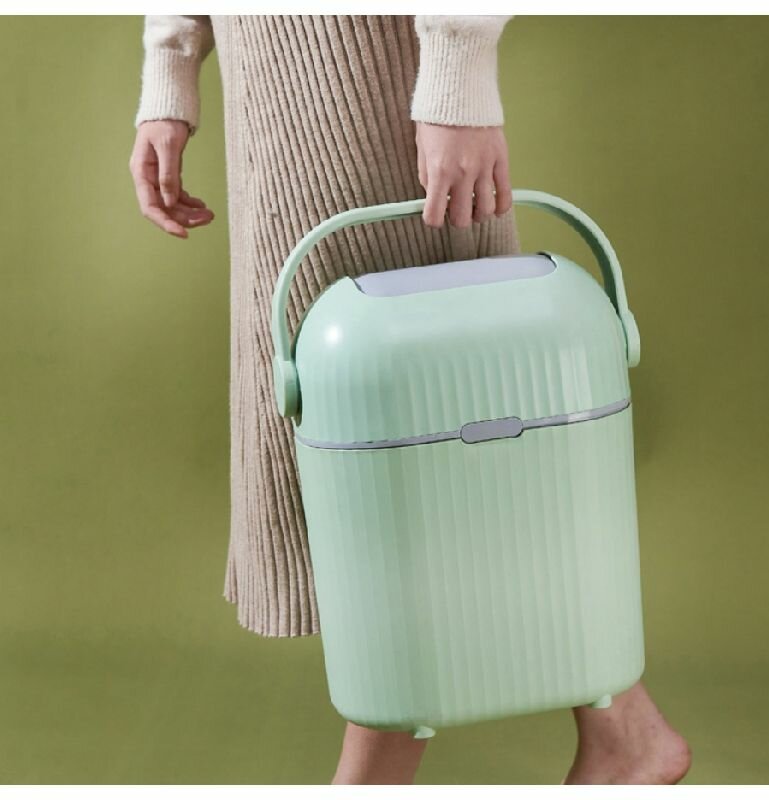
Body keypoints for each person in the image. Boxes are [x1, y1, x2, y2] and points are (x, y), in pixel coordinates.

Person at [129, 14, 691, 785]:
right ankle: (626, 731)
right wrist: (171, 66)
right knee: (391, 409)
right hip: (268, 69)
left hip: (371, 61)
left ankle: (376, 782)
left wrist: (457, 70)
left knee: (406, 412)